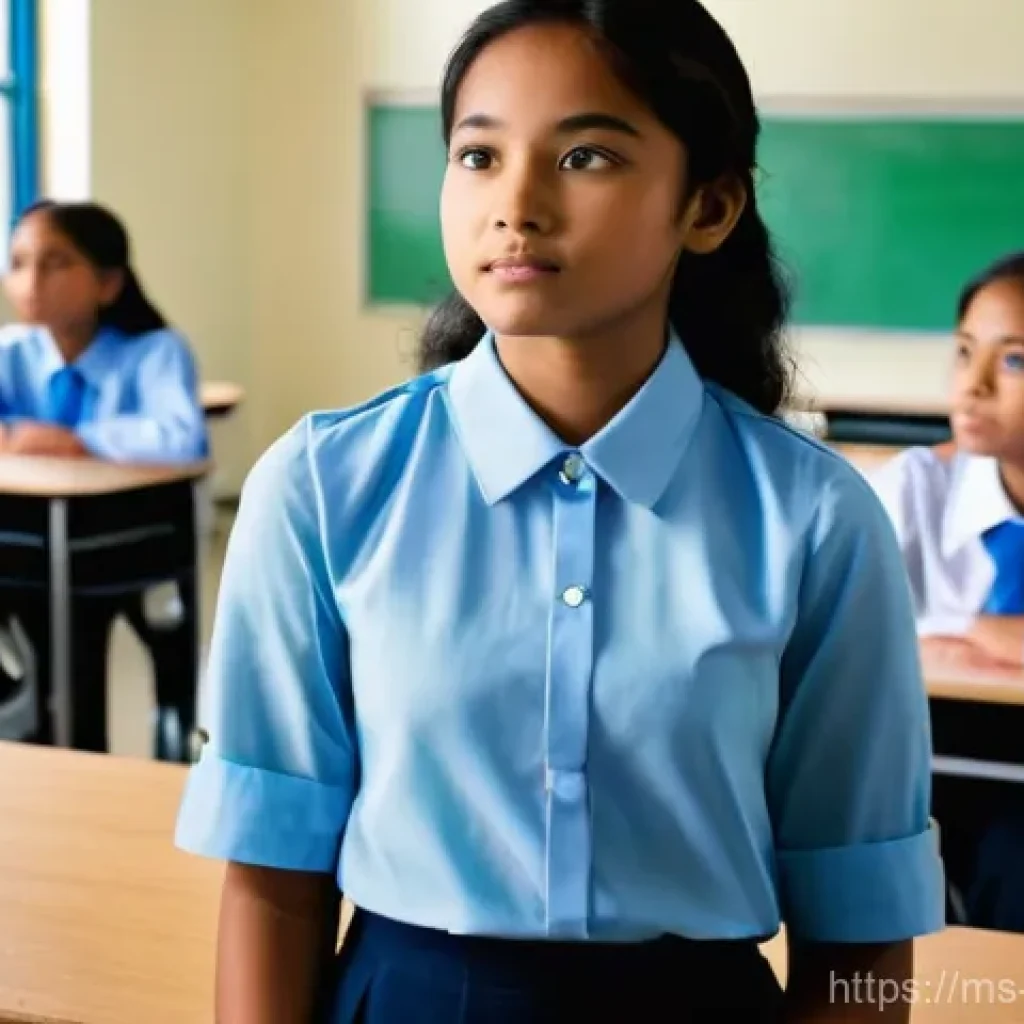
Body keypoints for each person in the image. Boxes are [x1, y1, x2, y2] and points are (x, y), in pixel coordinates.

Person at [175, 1, 944, 1020]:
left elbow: (858, 915)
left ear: (707, 207)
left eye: (584, 157)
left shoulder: (815, 520)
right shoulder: (325, 485)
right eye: (478, 156)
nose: (516, 204)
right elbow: (274, 878)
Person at [0, 200, 208, 753]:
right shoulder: (10, 351)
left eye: (54, 263)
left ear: (109, 283)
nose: (29, 281)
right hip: (25, 545)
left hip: (119, 543)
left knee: (71, 649)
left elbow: (181, 436)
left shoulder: (154, 351)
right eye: (19, 262)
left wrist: (79, 441)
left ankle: (66, 749)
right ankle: (24, 715)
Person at [872, 251, 1024, 934]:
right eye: (965, 353)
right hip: (913, 773)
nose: (974, 385)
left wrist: (980, 633)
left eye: (1015, 361)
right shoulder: (911, 492)